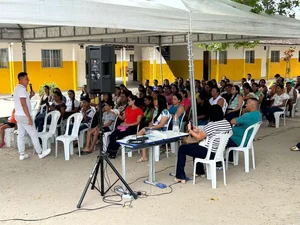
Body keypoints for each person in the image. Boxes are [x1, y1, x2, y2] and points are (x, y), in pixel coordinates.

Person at [174, 105, 232, 183]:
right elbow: (207, 133)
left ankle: (180, 176)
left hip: (209, 152)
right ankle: (199, 171)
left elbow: (198, 138)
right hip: (218, 152)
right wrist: (197, 130)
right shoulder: (226, 123)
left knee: (182, 148)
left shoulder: (211, 125)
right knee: (195, 147)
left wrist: (190, 130)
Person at [13, 72, 51, 160]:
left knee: (21, 134)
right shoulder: (22, 89)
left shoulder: (17, 88)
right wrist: (29, 117)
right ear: (21, 79)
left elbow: (24, 102)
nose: (28, 80)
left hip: (18, 115)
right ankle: (40, 152)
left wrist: (30, 96)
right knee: (33, 133)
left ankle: (22, 154)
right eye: (26, 79)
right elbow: (23, 104)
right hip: (24, 115)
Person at [136, 95, 170, 162]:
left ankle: (144, 156)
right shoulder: (156, 111)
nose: (154, 101)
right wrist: (148, 127)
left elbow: (161, 125)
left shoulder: (165, 112)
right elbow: (152, 123)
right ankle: (144, 155)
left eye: (156, 99)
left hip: (161, 131)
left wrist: (150, 128)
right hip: (154, 129)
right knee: (141, 133)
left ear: (160, 101)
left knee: (141, 132)